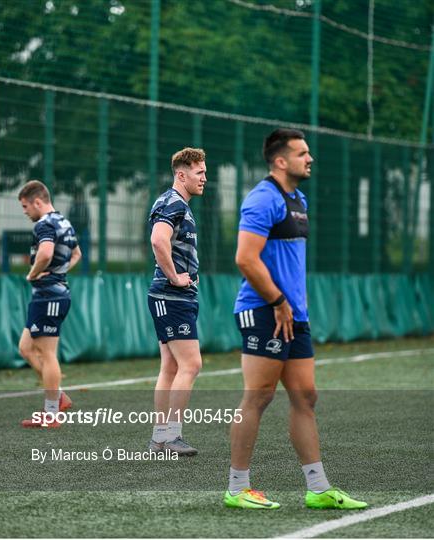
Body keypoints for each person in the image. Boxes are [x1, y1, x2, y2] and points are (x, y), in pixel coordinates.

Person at [224, 129, 367, 510]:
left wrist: (290, 305)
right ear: (280, 161)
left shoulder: (298, 199)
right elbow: (245, 258)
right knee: (259, 395)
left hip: (293, 315)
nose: (311, 158)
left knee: (305, 396)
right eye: (303, 153)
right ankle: (237, 488)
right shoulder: (262, 199)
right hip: (264, 311)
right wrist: (276, 300)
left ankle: (318, 488)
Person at [147, 147, 207, 456]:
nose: (204, 178)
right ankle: (170, 437)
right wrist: (175, 277)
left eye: (205, 172)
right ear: (181, 175)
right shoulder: (172, 202)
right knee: (191, 364)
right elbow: (158, 240)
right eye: (199, 173)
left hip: (173, 296)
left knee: (171, 366)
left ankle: (161, 438)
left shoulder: (178, 204)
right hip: (172, 295)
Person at [18, 180, 81, 428]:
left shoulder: (44, 224)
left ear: (37, 201)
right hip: (50, 295)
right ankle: (59, 395)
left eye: (25, 206)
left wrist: (33, 273)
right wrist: (60, 271)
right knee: (25, 348)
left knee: (47, 353)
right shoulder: (63, 221)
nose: (25, 211)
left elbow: (44, 254)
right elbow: (77, 255)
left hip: (49, 296)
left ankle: (52, 412)